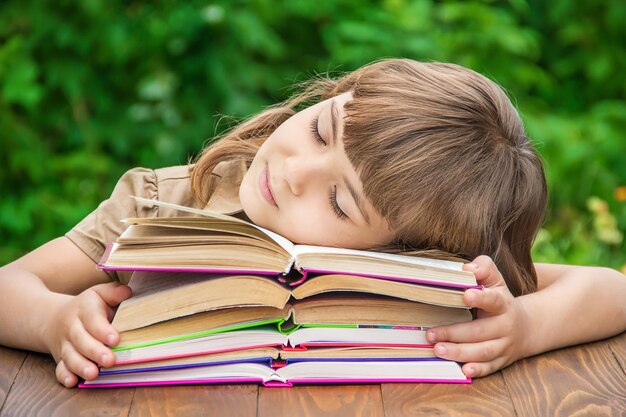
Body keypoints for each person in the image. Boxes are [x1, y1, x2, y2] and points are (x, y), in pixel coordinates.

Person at [1, 59, 624, 388]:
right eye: (322, 128)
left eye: (340, 203)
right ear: (332, 94)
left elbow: (613, 291)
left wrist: (524, 327)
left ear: (402, 247)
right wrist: (53, 321)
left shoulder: (420, 271)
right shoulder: (162, 202)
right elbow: (9, 285)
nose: (296, 170)